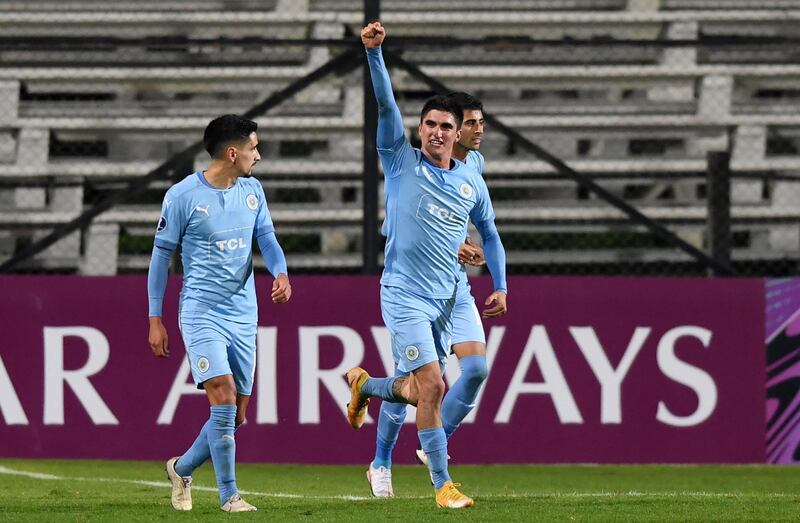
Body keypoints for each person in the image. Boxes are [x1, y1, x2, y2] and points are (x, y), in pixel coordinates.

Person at [346, 22, 507, 509]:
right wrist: (375, 55)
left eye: (446, 127)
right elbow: (385, 105)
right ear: (422, 129)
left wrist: (498, 284)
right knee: (430, 385)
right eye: (430, 125)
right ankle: (441, 484)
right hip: (406, 293)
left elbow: (491, 233)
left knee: (470, 371)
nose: (437, 133)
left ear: (458, 135)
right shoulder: (400, 161)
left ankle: (367, 387)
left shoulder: (471, 177)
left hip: (455, 291)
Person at [147, 114, 291, 513]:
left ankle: (181, 467)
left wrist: (280, 272)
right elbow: (161, 257)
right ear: (233, 152)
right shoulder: (182, 196)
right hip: (201, 312)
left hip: (244, 314)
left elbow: (267, 238)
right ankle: (230, 496)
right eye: (253, 147)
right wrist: (154, 318)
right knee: (223, 398)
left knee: (236, 415)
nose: (257, 156)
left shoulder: (252, 191)